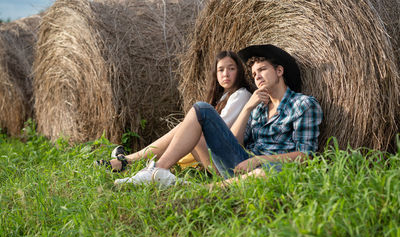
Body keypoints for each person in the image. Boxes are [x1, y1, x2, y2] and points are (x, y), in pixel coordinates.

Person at [114, 44, 323, 187]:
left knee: (266, 173)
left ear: (279, 71)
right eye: (254, 73)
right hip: (241, 163)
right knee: (201, 108)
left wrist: (259, 159)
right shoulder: (258, 108)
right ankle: (157, 170)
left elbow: (306, 155)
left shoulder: (303, 105)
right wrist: (248, 109)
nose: (257, 76)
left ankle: (204, 190)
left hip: (269, 167)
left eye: (262, 70)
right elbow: (235, 142)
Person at [97, 51, 252, 173]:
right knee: (186, 129)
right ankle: (133, 162)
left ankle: (129, 161)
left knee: (188, 128)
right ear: (216, 74)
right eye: (221, 70)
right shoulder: (225, 97)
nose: (226, 74)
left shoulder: (241, 95)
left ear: (239, 72)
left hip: (226, 163)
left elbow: (216, 131)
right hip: (216, 158)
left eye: (231, 69)